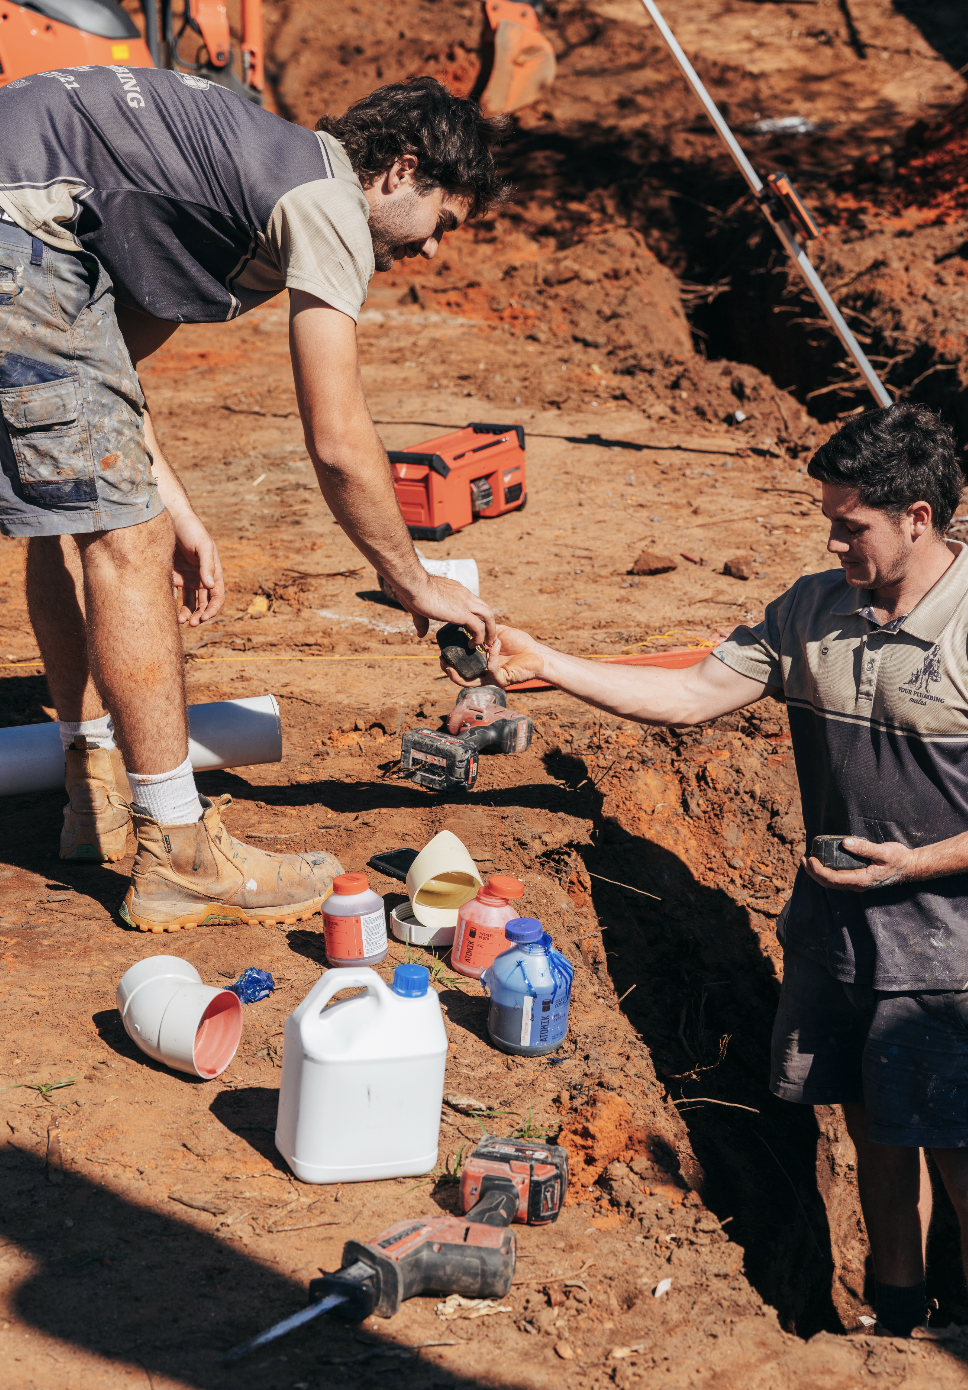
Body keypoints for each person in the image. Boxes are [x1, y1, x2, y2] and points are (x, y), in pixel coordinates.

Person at [445, 402, 968, 1338]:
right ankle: (896, 1328)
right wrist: (547, 662)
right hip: (839, 937)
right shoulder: (813, 608)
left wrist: (920, 862)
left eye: (852, 525)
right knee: (876, 1138)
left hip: (951, 960)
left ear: (918, 518)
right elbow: (691, 696)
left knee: (961, 1154)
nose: (832, 538)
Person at [0, 71, 499, 930]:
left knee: (80, 516)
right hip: (18, 231)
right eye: (441, 222)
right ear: (399, 170)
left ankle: (94, 794)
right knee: (129, 543)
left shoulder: (236, 191)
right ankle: (179, 850)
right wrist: (410, 577)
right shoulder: (325, 200)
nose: (433, 249)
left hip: (25, 224)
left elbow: (107, 385)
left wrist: (181, 508)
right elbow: (339, 440)